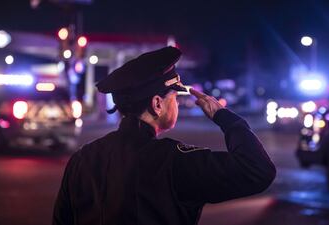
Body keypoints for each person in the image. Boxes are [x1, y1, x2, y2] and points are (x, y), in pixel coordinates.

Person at [53, 46, 276, 225]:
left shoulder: (82, 159)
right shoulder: (175, 162)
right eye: (174, 99)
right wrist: (226, 118)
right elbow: (258, 171)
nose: (177, 105)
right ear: (157, 104)